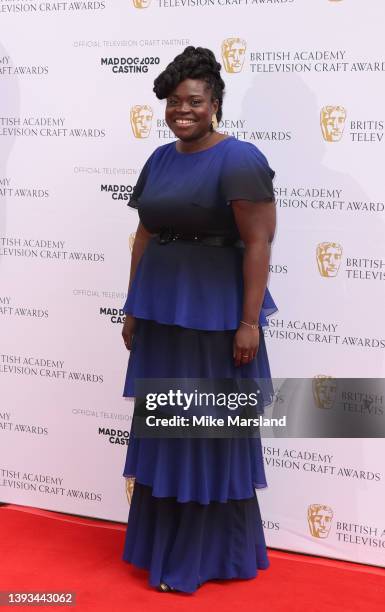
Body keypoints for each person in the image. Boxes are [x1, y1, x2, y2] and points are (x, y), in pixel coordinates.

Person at [121, 46, 277, 594]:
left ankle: (203, 556)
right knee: (168, 430)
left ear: (214, 104)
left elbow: (258, 243)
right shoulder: (160, 160)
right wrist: (133, 305)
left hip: (215, 319)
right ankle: (162, 548)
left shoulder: (239, 159)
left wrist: (249, 322)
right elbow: (144, 234)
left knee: (204, 433)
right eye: (172, 102)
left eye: (193, 102)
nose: (180, 111)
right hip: (163, 313)